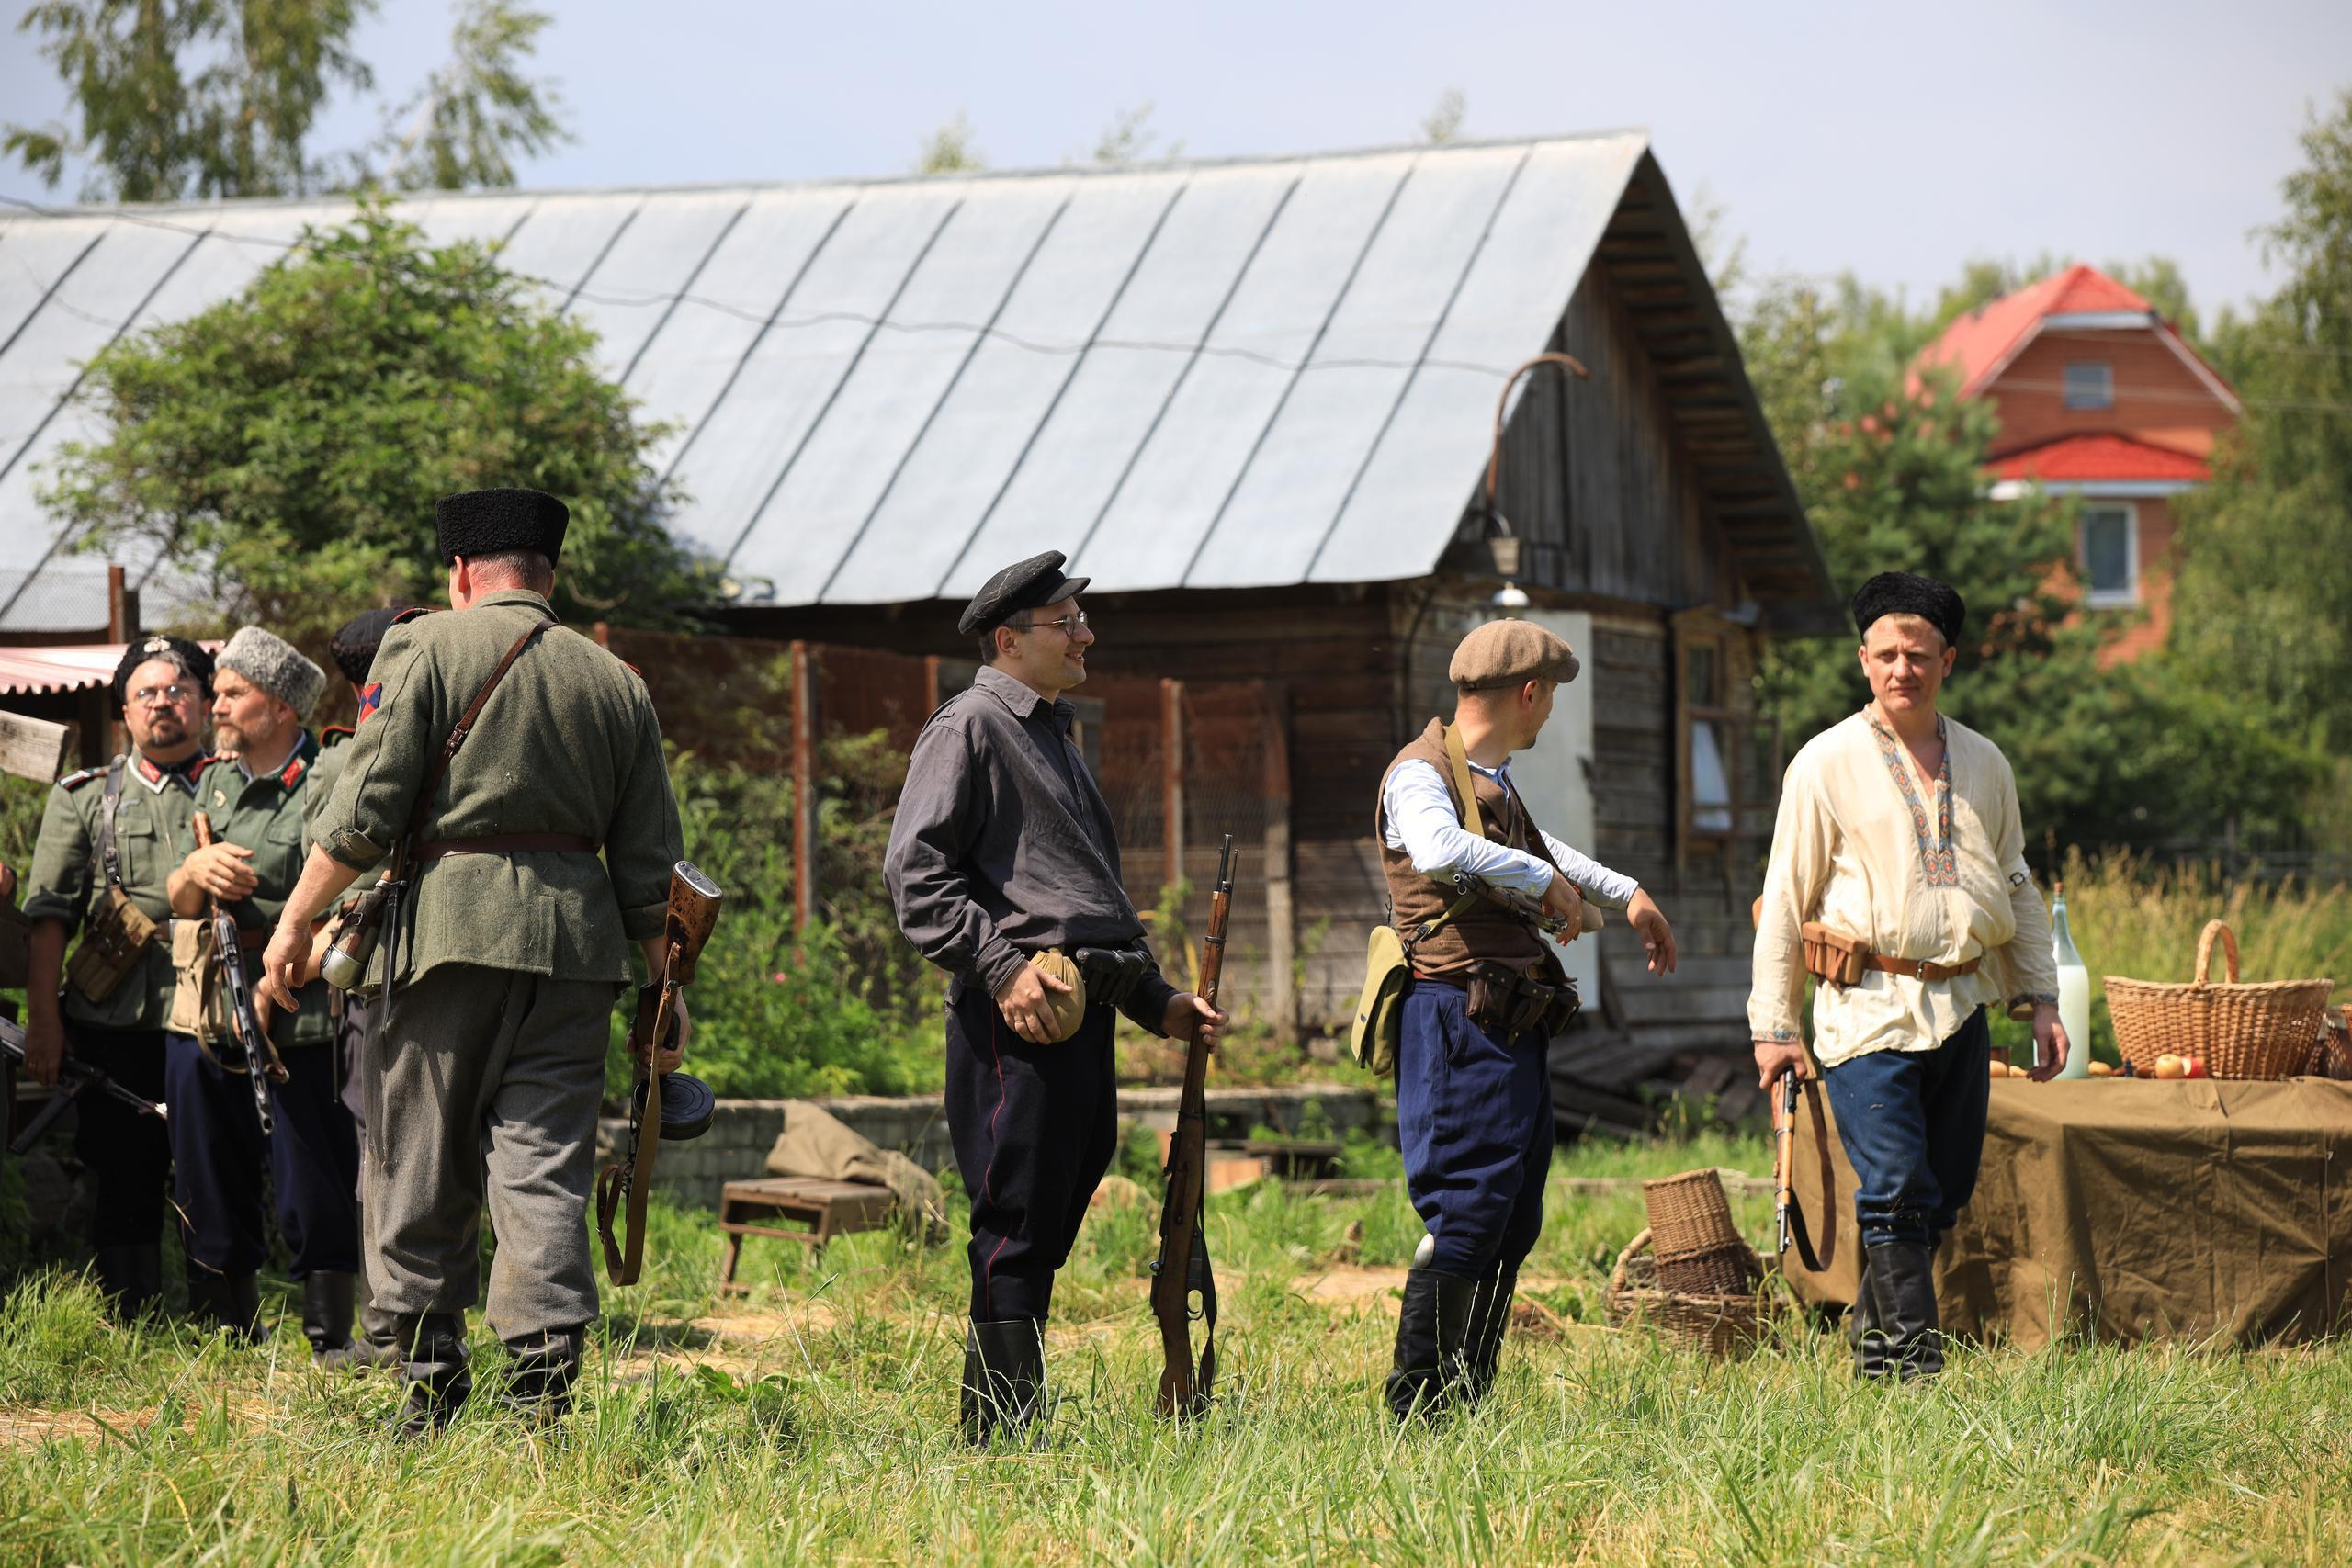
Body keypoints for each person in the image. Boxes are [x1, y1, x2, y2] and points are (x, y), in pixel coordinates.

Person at [254, 487, 684, 1435]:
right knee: (544, 1166)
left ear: (459, 572)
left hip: (443, 939)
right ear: (549, 573)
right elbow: (650, 861)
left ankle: (429, 1383)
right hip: (576, 954)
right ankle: (542, 1390)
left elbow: (365, 809)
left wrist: (294, 923)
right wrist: (665, 987)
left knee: (417, 1154)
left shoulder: (423, 646)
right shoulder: (616, 680)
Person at [884, 549, 1226, 1445]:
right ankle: (999, 1435)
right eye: (1065, 622)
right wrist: (1001, 970)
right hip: (1022, 1012)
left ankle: (1006, 1419)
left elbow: (1082, 897)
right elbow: (916, 876)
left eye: (1080, 619)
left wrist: (1158, 1002)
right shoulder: (969, 727)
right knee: (1016, 1216)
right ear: (1009, 639)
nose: (1086, 635)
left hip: (1081, 1009)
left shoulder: (1051, 734)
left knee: (1055, 1199)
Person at [1748, 570, 2066, 1382]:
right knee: (1894, 1185)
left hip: (1963, 1004)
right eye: (1886, 654)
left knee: (1942, 1191)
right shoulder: (1824, 763)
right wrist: (1774, 1026)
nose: (1902, 669)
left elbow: (2018, 883)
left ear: (1947, 660)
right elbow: (1784, 895)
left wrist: (2041, 997)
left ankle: (1871, 1356)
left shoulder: (1986, 762)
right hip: (1865, 1009)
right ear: (1864, 659)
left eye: (1918, 655)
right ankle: (1917, 1374)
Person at [1374, 617, 1678, 1419]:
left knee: (1512, 1213)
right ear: (1530, 692)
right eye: (1550, 699)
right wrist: (1542, 882)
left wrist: (1626, 893)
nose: (1548, 712)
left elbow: (1543, 851)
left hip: (1506, 1018)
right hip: (1455, 1014)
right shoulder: (1419, 773)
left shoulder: (1489, 780)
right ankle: (1419, 1411)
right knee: (1469, 1204)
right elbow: (1439, 849)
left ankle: (1467, 1399)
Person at [165, 626, 360, 1351]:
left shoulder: (326, 779)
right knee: (209, 1161)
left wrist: (276, 987)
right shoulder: (211, 781)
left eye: (231, 692)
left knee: (313, 1172)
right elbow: (179, 901)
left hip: (302, 1008)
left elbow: (349, 902)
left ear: (279, 706)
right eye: (216, 692)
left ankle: (329, 1338)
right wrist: (193, 872)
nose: (213, 704)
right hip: (213, 1004)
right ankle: (227, 1326)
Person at [19, 636, 213, 1316]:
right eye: (146, 693)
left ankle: (222, 1316)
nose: (163, 703)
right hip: (114, 1019)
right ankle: (133, 1316)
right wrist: (44, 1020)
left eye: (178, 690)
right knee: (122, 1170)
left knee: (213, 1167)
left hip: (212, 1012)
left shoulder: (233, 788)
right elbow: (49, 917)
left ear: (204, 703)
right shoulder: (84, 798)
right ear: (125, 711)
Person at [300, 606, 411, 1371]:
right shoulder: (355, 757)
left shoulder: (358, 753)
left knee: (390, 1151)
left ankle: (393, 1328)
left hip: (387, 972)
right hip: (380, 971)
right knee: (390, 1151)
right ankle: (392, 1327)